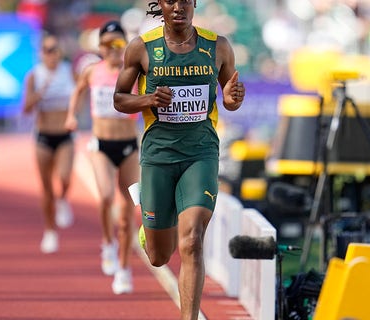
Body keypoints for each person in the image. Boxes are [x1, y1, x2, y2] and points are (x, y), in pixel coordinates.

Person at [113, 0, 245, 319]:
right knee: (159, 256)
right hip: (158, 155)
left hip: (200, 153)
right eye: (171, 0)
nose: (178, 7)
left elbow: (231, 96)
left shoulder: (218, 47)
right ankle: (151, 227)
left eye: (185, 0)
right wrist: (147, 99)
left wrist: (231, 98)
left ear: (194, 3)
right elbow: (119, 99)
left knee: (192, 239)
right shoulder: (141, 48)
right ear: (160, 3)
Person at [65, 21, 140, 295]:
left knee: (129, 210)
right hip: (101, 146)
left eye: (118, 44)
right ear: (100, 48)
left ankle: (123, 269)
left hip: (130, 146)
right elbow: (77, 92)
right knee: (107, 196)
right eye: (107, 45)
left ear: (125, 45)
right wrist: (72, 115)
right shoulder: (91, 72)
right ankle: (107, 242)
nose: (112, 49)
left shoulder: (135, 73)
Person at [22, 34, 76, 254]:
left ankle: (63, 199)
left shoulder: (68, 71)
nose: (50, 54)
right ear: (41, 53)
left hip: (64, 134)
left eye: (54, 49)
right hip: (43, 136)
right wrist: (39, 93)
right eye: (46, 50)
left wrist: (75, 113)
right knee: (45, 190)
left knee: (64, 176)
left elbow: (80, 92)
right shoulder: (35, 76)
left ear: (59, 52)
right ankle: (50, 231)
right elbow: (26, 108)